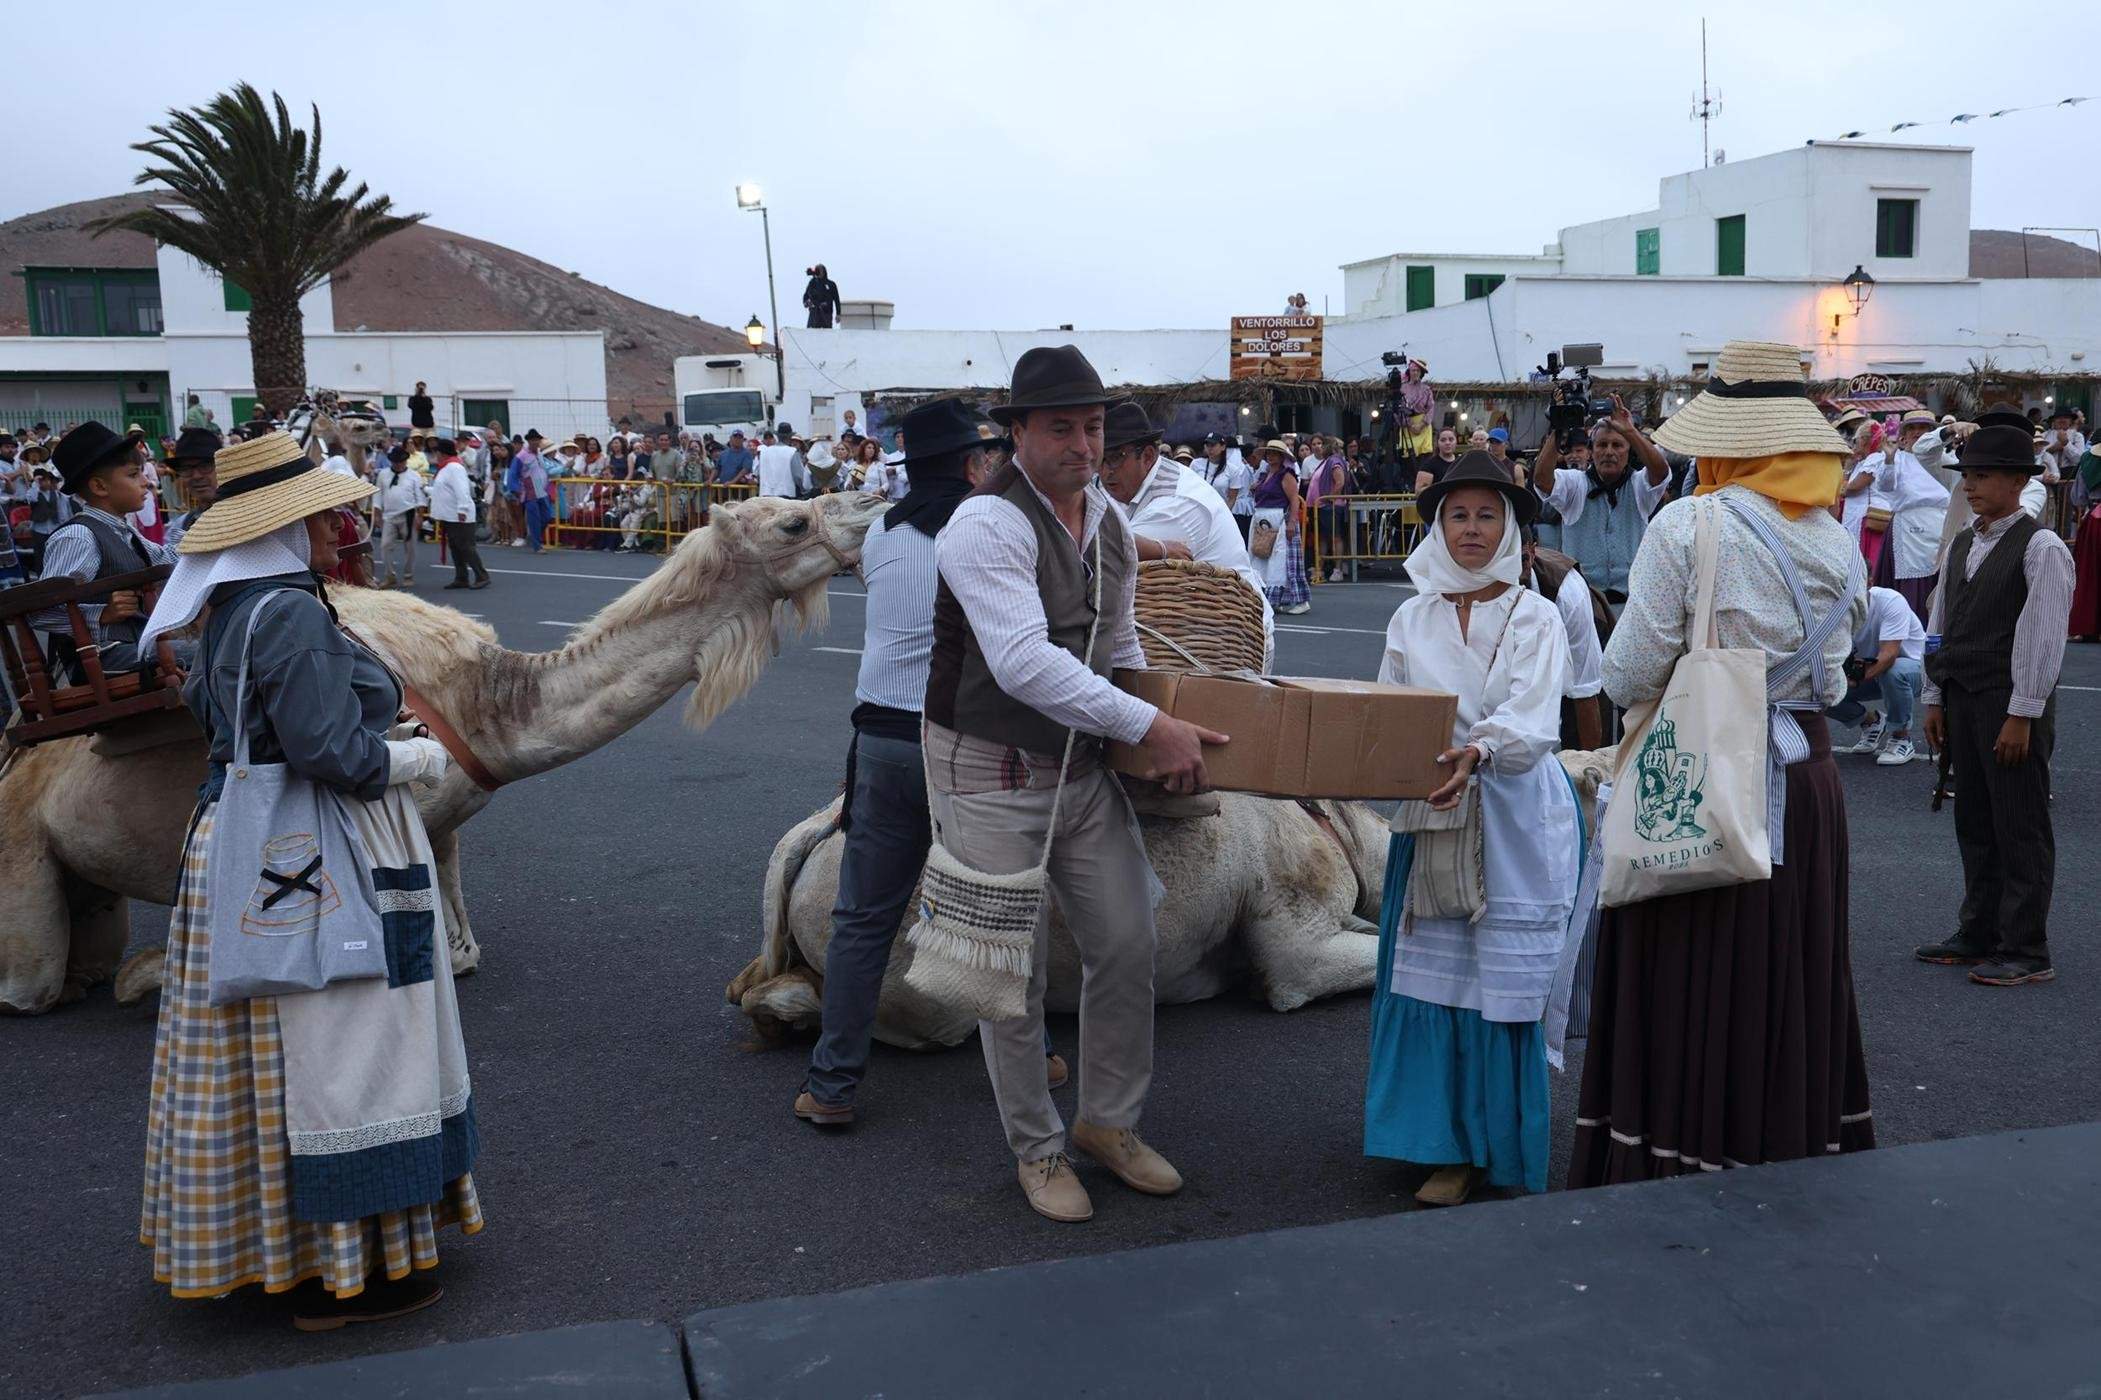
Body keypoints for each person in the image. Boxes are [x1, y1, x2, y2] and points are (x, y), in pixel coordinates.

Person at [133, 430, 477, 1329]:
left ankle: (268, 1244)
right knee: (347, 1046)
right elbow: (331, 753)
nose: (344, 524)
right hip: (315, 842)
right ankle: (345, 1270)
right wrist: (413, 762)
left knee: (268, 1053)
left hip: (239, 835)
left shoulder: (229, 607)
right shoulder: (288, 612)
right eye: (328, 512)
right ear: (286, 525)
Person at [927, 345, 1222, 1223]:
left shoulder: (1108, 522)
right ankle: (1037, 1148)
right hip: (986, 766)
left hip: (1080, 767)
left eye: (1093, 427)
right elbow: (1019, 662)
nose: (1083, 445)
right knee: (1003, 978)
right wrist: (1147, 725)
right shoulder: (985, 524)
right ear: (1016, 431)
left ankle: (1108, 1124)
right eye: (1061, 426)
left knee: (1129, 941)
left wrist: (1151, 729)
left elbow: (1118, 647)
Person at [1569, 340, 1872, 1187]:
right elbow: (1838, 674)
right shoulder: (1833, 538)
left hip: (1707, 761)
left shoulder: (1689, 523)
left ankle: (1679, 1141)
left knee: (1692, 963)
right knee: (1791, 964)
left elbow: (1625, 673)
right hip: (1805, 772)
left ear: (1726, 439)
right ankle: (1785, 1136)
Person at [795, 402, 1031, 1125]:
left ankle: (832, 1086)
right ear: (970, 465)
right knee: (998, 914)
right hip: (962, 745)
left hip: (880, 745)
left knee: (862, 921)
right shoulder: (989, 530)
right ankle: (1037, 1058)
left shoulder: (883, 535)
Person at [1365, 451, 1579, 1204]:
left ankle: (1491, 1145)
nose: (1471, 529)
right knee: (1429, 982)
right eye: (1458, 514)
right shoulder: (1410, 614)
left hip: (1511, 812)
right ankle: (1436, 1143)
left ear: (1513, 528)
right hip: (1431, 808)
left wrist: (1478, 750)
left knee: (1493, 986)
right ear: (1437, 526)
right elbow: (1387, 710)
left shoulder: (1536, 614)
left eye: (1488, 514)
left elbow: (1530, 713)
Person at [1917, 422, 2074, 986]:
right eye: (1968, 477)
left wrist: (2022, 712)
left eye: (1981, 476)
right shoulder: (1965, 540)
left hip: (2010, 703)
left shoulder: (2041, 545)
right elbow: (1941, 622)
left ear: (2015, 481)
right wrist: (1934, 694)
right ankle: (1980, 928)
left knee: (2020, 822)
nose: (1970, 487)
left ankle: (2027, 947)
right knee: (1975, 819)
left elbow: (2042, 634)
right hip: (1963, 694)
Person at [1095, 401, 1274, 667]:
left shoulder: (1176, 503)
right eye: (1099, 460)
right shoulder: (1135, 484)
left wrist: (1159, 549)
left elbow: (1105, 554)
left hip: (1232, 643)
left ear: (1146, 456)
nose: (1106, 471)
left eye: (1115, 458)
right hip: (1192, 633)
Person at [34, 423, 177, 676]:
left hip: (132, 646)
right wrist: (102, 613)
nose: (145, 482)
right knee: (212, 651)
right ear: (100, 487)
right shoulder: (79, 536)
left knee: (215, 641)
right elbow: (40, 610)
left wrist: (208, 528)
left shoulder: (124, 531)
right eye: (134, 475)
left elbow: (167, 557)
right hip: (102, 656)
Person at [1528, 397, 1671, 603]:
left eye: (1617, 445)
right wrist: (1557, 431)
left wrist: (1631, 431)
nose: (1609, 452)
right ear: (1591, 451)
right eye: (1602, 445)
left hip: (1631, 600)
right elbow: (1542, 481)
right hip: (1585, 603)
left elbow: (1661, 472)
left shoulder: (1639, 485)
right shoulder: (1576, 484)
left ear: (1628, 451)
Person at [1520, 527, 1608, 751]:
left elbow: (1585, 689)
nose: (1517, 572)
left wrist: (1588, 765)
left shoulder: (1568, 593)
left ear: (1533, 550)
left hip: (1588, 635)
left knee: (1578, 745)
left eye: (1522, 560)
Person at [1825, 584, 1927, 765]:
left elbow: (1889, 655)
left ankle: (1901, 737)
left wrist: (1855, 679)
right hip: (1868, 671)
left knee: (1893, 672)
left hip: (1915, 668)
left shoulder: (1890, 601)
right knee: (1820, 687)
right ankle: (1872, 721)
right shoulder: (1832, 608)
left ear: (1869, 581)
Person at [1250, 439, 1309, 615]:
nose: (1271, 456)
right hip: (1263, 521)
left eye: (1275, 453)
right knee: (1264, 560)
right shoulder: (1264, 474)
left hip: (1279, 520)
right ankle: (1272, 599)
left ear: (1282, 456)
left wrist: (1292, 522)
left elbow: (1293, 500)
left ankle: (1300, 600)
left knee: (1283, 562)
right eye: (1269, 453)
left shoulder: (1286, 475)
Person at [429, 439, 488, 590]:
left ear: (441, 453)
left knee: (466, 547)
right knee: (456, 547)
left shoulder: (454, 468)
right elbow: (444, 490)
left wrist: (462, 509)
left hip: (458, 514)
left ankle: (482, 575)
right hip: (450, 514)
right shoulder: (446, 467)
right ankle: (461, 577)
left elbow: (462, 490)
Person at [373, 444, 430, 588]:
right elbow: (378, 495)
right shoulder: (383, 474)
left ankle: (408, 574)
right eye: (395, 462)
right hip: (389, 515)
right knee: (385, 545)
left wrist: (420, 516)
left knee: (410, 547)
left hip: (408, 513)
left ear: (405, 462)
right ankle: (389, 575)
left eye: (401, 462)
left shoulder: (414, 476)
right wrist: (377, 514)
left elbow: (420, 498)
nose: (398, 465)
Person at [160, 427, 223, 555]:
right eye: (187, 469)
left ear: (223, 467)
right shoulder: (179, 528)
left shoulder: (253, 519)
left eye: (205, 466)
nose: (196, 476)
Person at [1306, 437, 1352, 583]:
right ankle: (1321, 568)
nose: (1319, 447)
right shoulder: (1328, 461)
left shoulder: (1334, 461)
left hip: (1330, 505)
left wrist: (1329, 498)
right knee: (1323, 538)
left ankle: (1337, 569)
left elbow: (1340, 482)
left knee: (1335, 536)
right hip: (1323, 505)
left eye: (1322, 444)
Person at [2068, 439, 2101, 641]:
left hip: (2095, 518)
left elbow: (2078, 497)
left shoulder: (2087, 459)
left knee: (2088, 572)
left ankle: (2086, 626)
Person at [755, 424, 804, 499]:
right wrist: (804, 489)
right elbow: (798, 476)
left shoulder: (764, 452)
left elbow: (758, 474)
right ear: (790, 436)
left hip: (765, 495)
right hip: (785, 494)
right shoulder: (792, 452)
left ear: (777, 436)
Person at [1415, 427, 1460, 493]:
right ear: (1437, 443)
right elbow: (1418, 492)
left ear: (1456, 442)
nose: (1447, 443)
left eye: (1451, 439)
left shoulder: (1461, 462)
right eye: (1443, 440)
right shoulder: (1429, 465)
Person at [803, 264, 841, 328]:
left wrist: (838, 314)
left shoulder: (831, 284)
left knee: (826, 334)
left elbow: (837, 300)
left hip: (826, 314)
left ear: (824, 272)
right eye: (816, 270)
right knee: (812, 333)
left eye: (819, 270)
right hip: (814, 313)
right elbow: (806, 296)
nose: (817, 272)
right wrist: (806, 302)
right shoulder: (812, 283)